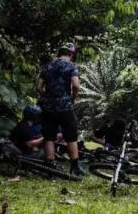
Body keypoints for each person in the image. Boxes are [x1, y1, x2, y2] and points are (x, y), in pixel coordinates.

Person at [36, 42, 84, 176]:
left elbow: (38, 87)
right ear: (71, 54)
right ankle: (75, 166)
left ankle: (50, 167)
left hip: (48, 108)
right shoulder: (71, 66)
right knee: (71, 135)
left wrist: (46, 96)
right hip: (65, 107)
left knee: (49, 136)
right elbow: (76, 85)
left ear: (59, 53)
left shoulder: (47, 66)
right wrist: (72, 98)